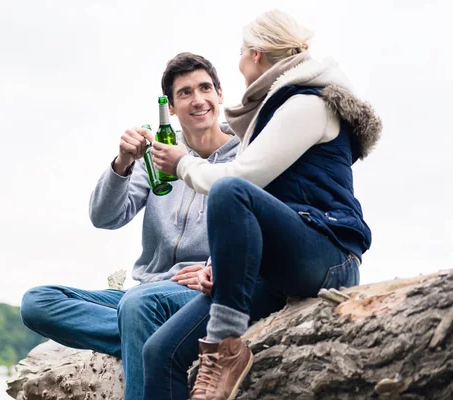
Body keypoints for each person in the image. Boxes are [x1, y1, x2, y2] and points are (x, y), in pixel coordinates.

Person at [147, 10, 382, 400]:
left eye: (240, 53)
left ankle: (224, 351)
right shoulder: (274, 109)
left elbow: (241, 182)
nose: (238, 64)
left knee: (228, 192)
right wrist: (216, 267)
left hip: (328, 255)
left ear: (255, 55)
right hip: (283, 262)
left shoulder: (310, 104)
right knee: (161, 351)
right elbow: (263, 210)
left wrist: (183, 163)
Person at [20, 52, 240, 400]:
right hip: (144, 293)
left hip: (196, 293)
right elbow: (104, 217)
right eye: (185, 93)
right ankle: (151, 336)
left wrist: (218, 269)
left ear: (220, 95)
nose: (198, 100)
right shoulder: (156, 156)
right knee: (37, 302)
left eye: (205, 88)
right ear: (170, 107)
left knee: (138, 306)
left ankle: (146, 331)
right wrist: (123, 162)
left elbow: (257, 225)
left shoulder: (245, 157)